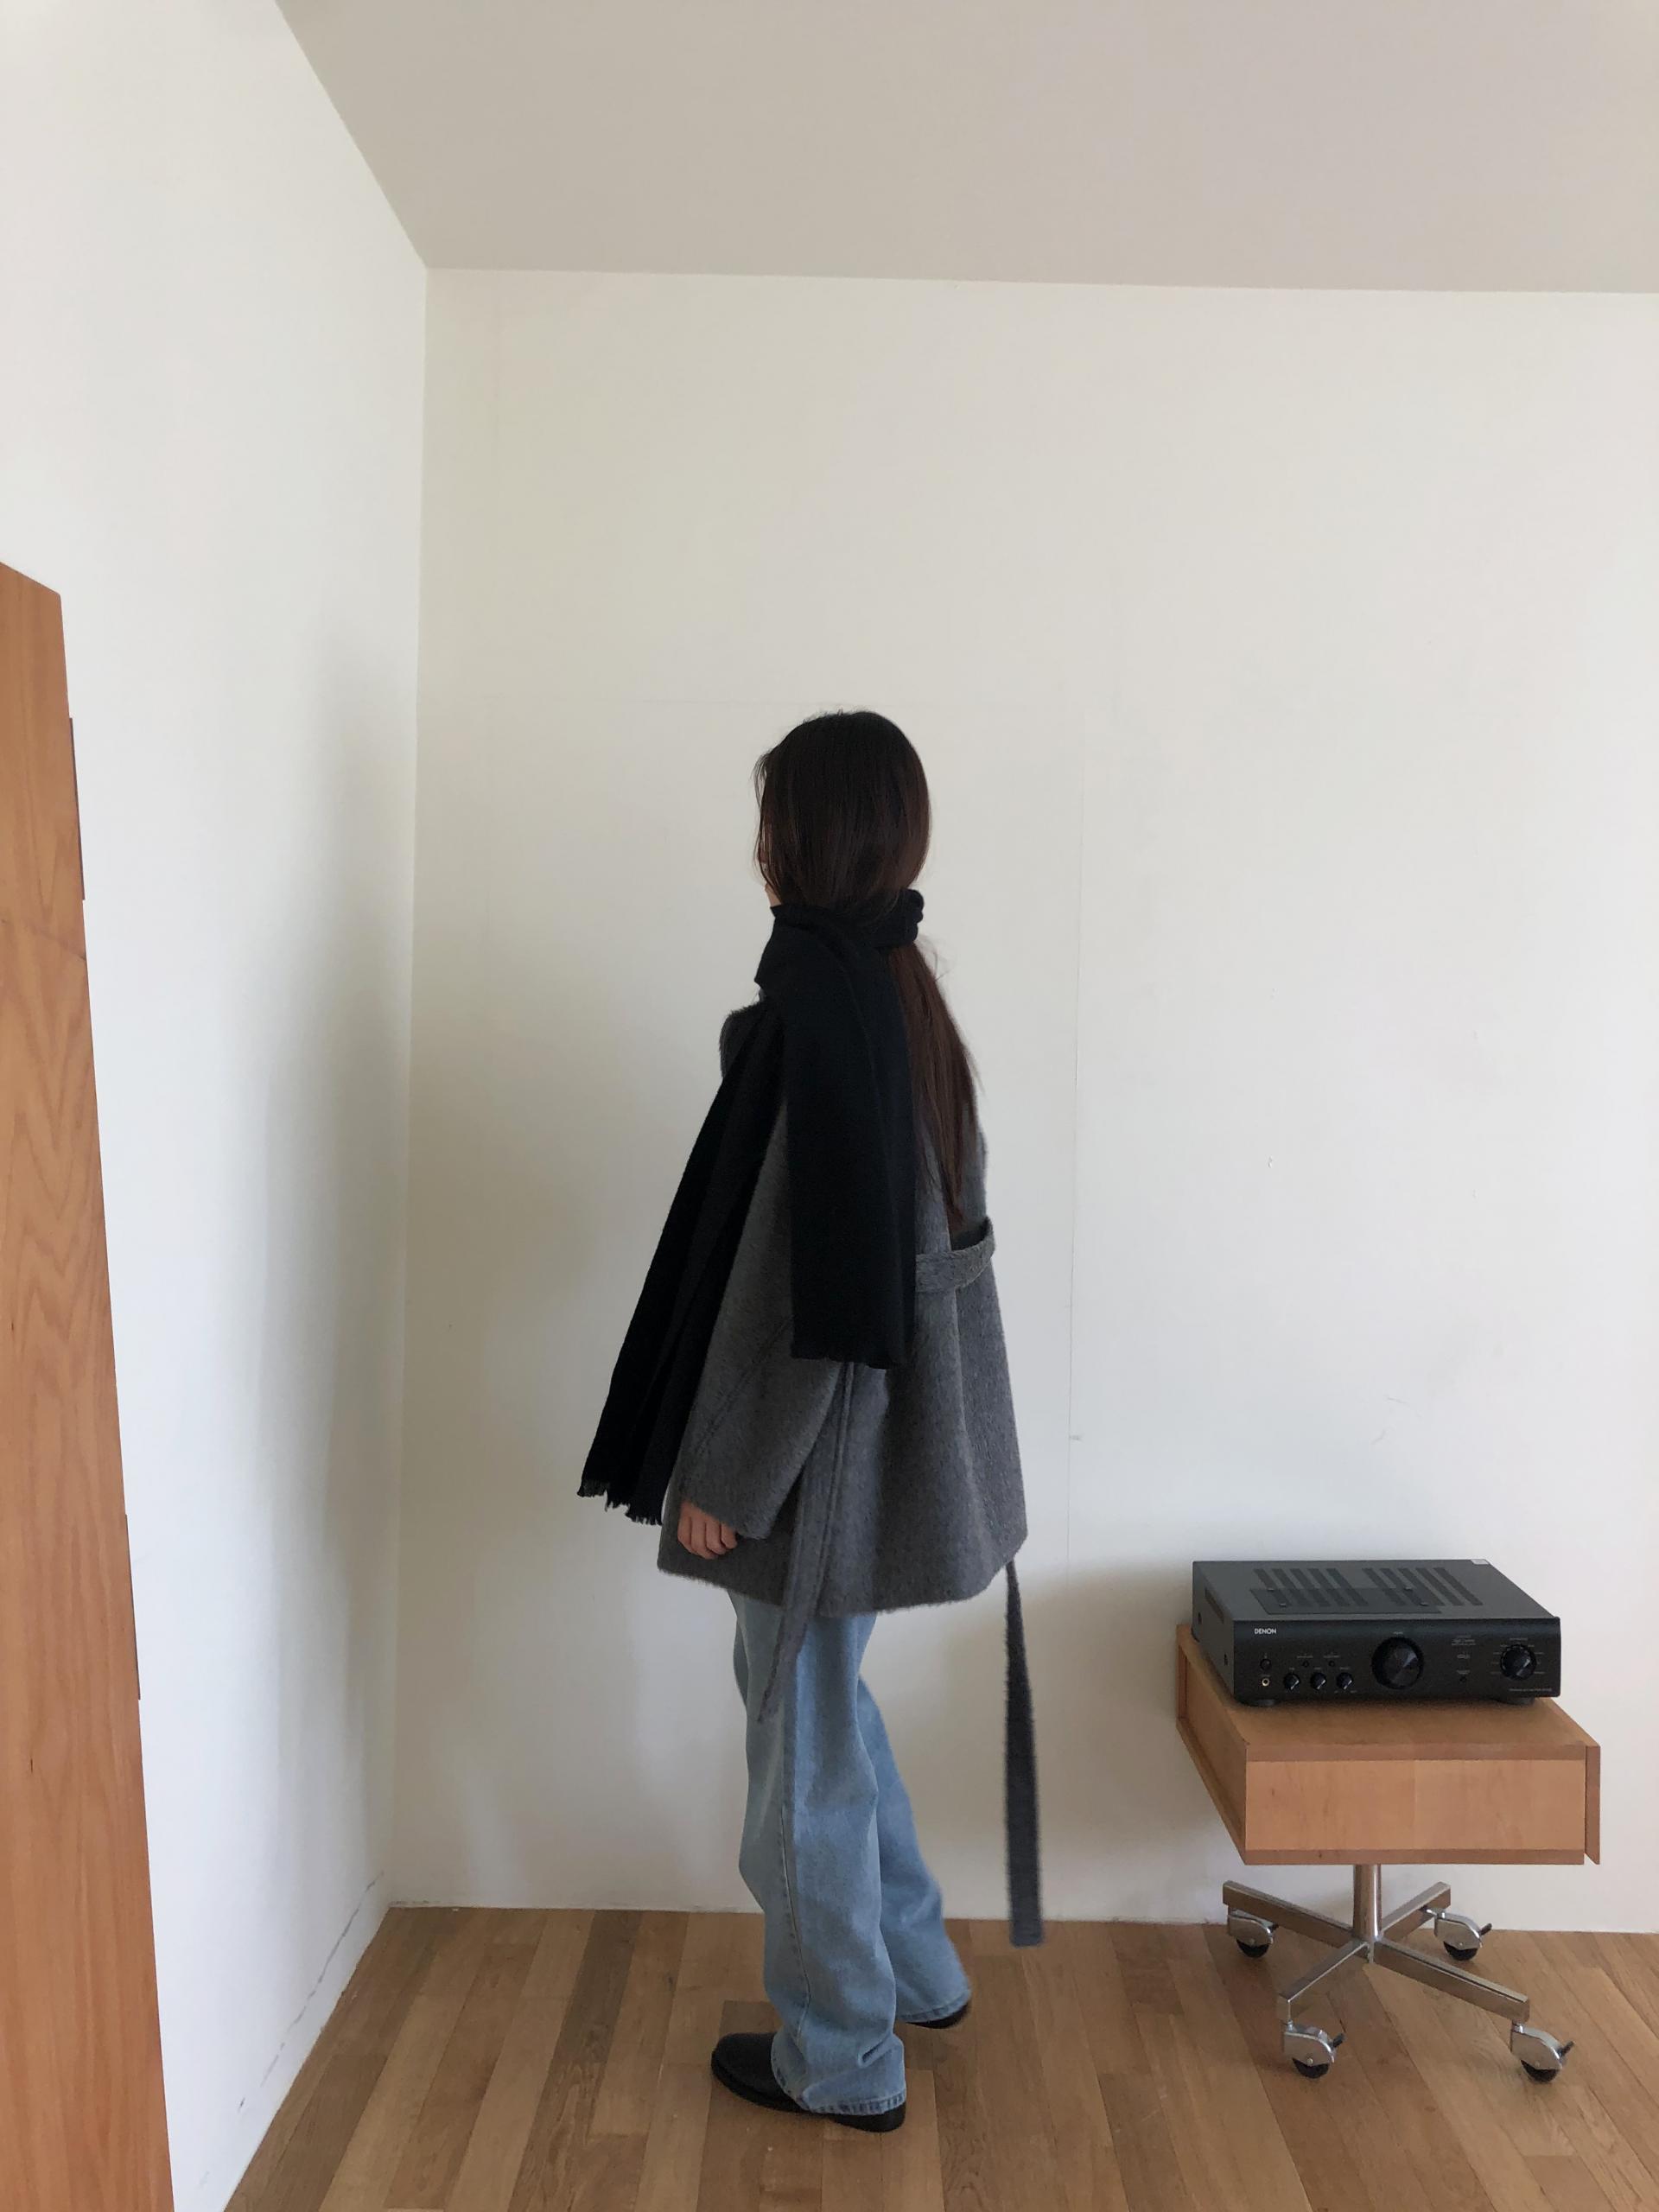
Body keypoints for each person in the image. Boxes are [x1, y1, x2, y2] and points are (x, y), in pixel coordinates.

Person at [580, 709, 1038, 2133]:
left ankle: (841, 2056)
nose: (757, 847)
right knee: (830, 1718)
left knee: (798, 1760)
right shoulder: (900, 999)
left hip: (820, 1462)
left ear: (804, 841)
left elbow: (808, 1298)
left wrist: (733, 1476)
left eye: (771, 819)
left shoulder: (826, 1020)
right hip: (891, 1454)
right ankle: (917, 1969)